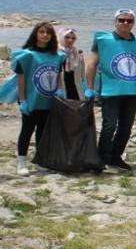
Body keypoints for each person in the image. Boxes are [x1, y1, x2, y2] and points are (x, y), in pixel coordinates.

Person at [86, 9, 136, 171]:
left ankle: (115, 157)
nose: (125, 23)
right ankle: (101, 158)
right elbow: (91, 64)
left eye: (129, 20)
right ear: (115, 21)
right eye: (122, 20)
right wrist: (90, 88)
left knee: (126, 127)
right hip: (110, 91)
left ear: (133, 23)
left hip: (132, 92)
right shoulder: (102, 39)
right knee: (109, 125)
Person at [13, 22, 65, 176]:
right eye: (41, 32)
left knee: (43, 131)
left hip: (48, 100)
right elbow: (21, 79)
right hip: (30, 99)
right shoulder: (26, 55)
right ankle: (21, 161)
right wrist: (22, 100)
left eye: (48, 33)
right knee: (27, 130)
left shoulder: (57, 55)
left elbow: (58, 75)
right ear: (35, 34)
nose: (45, 35)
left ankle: (40, 160)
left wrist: (61, 90)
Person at [58, 27, 86, 100]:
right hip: (60, 88)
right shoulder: (56, 53)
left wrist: (85, 87)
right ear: (61, 37)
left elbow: (82, 73)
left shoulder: (77, 53)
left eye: (73, 38)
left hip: (76, 88)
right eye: (67, 37)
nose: (70, 40)